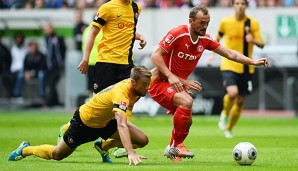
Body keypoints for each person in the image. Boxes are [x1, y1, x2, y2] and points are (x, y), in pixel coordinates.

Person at [148, 5, 268, 162]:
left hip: (176, 84)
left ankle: (171, 148)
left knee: (187, 121)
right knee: (187, 101)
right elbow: (155, 55)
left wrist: (252, 61)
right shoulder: (177, 33)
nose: (205, 26)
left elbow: (230, 53)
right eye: (202, 22)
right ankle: (177, 145)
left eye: (207, 22)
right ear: (191, 21)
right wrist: (170, 76)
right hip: (160, 82)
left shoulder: (205, 40)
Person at [8, 66, 151, 166]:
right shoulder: (122, 94)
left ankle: (103, 146)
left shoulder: (137, 84)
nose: (147, 88)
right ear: (133, 82)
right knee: (57, 154)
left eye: (148, 84)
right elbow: (121, 124)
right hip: (84, 123)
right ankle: (25, 149)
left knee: (142, 140)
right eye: (144, 85)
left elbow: (155, 72)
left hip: (105, 122)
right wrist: (130, 153)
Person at [76, 0, 147, 160]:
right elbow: (93, 33)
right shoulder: (107, 8)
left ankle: (121, 143)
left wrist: (140, 36)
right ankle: (67, 130)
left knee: (128, 101)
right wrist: (86, 58)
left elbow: (125, 31)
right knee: (97, 106)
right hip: (106, 63)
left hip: (126, 65)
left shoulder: (136, 8)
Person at [207, 0, 265, 138]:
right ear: (233, 5)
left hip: (246, 67)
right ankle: (225, 113)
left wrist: (253, 40)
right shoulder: (225, 22)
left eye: (242, 4)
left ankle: (229, 128)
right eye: (237, 3)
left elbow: (262, 44)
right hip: (229, 63)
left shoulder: (252, 23)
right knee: (232, 93)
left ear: (246, 6)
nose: (240, 6)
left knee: (240, 101)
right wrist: (212, 56)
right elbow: (216, 40)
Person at [43, 22, 66, 107]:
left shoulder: (57, 38)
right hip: (48, 66)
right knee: (51, 84)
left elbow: (61, 51)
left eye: (48, 28)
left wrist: (60, 63)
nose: (46, 30)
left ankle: (50, 102)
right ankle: (55, 101)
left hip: (56, 66)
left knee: (52, 83)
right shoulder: (46, 39)